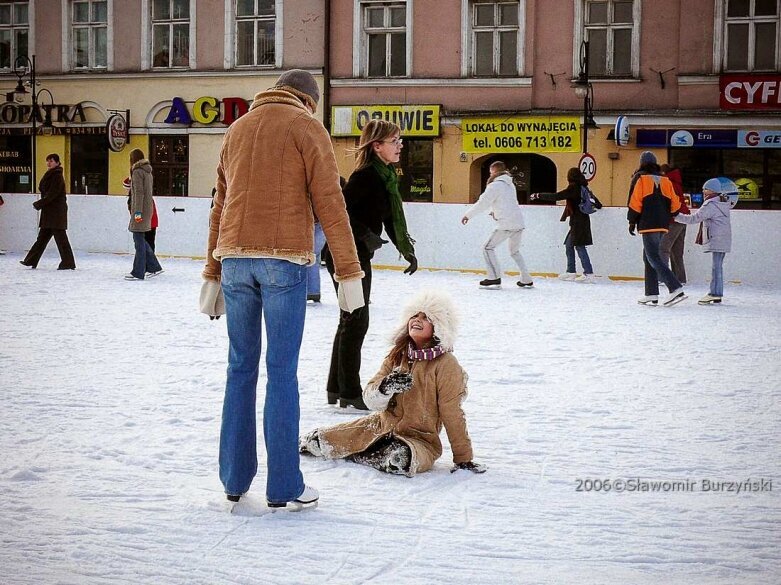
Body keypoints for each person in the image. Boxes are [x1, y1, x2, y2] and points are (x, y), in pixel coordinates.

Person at [200, 69, 364, 508]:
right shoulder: (307, 127)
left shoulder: (236, 129)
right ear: (309, 100)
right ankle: (284, 486)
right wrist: (348, 273)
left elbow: (219, 205)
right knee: (281, 373)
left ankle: (234, 479)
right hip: (283, 261)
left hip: (234, 260)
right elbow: (331, 204)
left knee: (239, 370)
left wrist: (211, 272)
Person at [300, 289, 486, 477]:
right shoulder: (397, 356)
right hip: (379, 427)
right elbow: (370, 399)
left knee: (402, 458)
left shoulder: (446, 365)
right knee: (320, 441)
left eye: (426, 317)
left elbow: (452, 413)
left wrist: (463, 458)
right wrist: (385, 388)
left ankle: (380, 455)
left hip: (420, 440)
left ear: (439, 327)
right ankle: (363, 450)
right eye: (414, 315)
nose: (417, 319)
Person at [324, 119, 417, 410]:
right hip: (345, 254)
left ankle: (337, 387)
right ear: (377, 146)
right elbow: (340, 214)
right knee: (356, 319)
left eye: (400, 140)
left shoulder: (386, 176)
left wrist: (406, 249)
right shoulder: (365, 176)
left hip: (357, 253)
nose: (400, 145)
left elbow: (389, 217)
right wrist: (365, 235)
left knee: (350, 319)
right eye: (394, 141)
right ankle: (349, 391)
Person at [627, 151, 687, 307]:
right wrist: (670, 214)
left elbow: (634, 202)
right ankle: (651, 294)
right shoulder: (665, 180)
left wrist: (631, 221)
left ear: (642, 163)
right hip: (663, 223)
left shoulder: (640, 178)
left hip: (648, 223)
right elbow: (675, 204)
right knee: (648, 258)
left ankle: (675, 287)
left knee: (654, 257)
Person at [461, 160, 533, 288]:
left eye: (490, 172)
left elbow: (482, 203)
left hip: (506, 224)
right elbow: (505, 202)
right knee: (514, 251)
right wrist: (494, 212)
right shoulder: (510, 184)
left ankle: (494, 277)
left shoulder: (495, 186)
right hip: (518, 222)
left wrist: (468, 215)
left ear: (494, 172)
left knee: (487, 248)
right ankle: (526, 279)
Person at [530, 167, 602, 283]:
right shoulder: (584, 187)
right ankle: (571, 271)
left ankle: (589, 273)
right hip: (580, 221)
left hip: (578, 222)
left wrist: (538, 195)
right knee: (569, 245)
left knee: (580, 246)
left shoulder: (574, 188)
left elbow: (557, 196)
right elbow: (598, 204)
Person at [674, 178, 733, 305]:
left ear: (712, 190)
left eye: (705, 189)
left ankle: (715, 293)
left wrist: (676, 216)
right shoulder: (722, 202)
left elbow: (694, 219)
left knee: (716, 267)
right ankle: (716, 292)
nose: (703, 191)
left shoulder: (711, 204)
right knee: (717, 266)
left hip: (716, 237)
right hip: (723, 237)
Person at [20, 153, 76, 270]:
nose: (48, 163)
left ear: (57, 162)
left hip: (56, 213)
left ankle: (68, 263)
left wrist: (39, 203)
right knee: (42, 238)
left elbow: (52, 194)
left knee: (61, 239)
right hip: (50, 213)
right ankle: (31, 260)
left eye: (51, 161)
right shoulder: (51, 174)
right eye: (48, 161)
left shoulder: (57, 176)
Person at [124, 149, 163, 280]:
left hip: (140, 210)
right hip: (148, 209)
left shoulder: (137, 172)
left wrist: (137, 212)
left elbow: (139, 193)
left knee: (139, 240)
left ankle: (138, 272)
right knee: (141, 239)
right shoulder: (148, 172)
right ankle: (154, 266)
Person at [660, 163, 688, 284]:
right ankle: (680, 279)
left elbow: (667, 202)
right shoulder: (676, 182)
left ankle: (663, 277)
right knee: (677, 252)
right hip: (683, 217)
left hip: (674, 219)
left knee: (663, 248)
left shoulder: (667, 183)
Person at [125, 176, 159, 252]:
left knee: (145, 246)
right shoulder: (143, 195)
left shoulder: (138, 198)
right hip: (149, 223)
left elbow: (138, 212)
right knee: (148, 245)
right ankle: (147, 262)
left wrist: (138, 222)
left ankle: (147, 262)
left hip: (146, 224)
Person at [306, 220, 326, 302]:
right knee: (314, 257)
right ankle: (314, 291)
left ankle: (310, 291)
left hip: (309, 223)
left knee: (307, 258)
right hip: (321, 223)